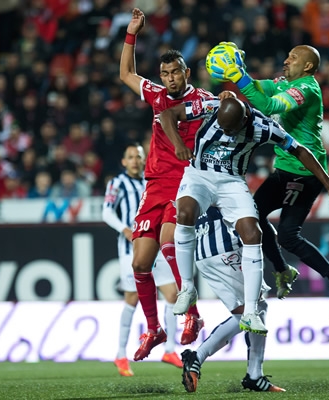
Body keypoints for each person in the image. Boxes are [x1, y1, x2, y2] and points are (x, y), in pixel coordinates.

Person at [160, 97, 329, 335]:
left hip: (232, 181)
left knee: (253, 233)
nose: (226, 134)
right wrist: (178, 143)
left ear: (244, 120)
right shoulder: (211, 105)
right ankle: (187, 289)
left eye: (231, 129)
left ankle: (251, 312)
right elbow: (168, 114)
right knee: (185, 212)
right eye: (221, 127)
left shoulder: (264, 127)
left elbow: (300, 150)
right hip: (199, 174)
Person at [210, 44, 329, 314]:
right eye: (287, 55)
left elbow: (267, 105)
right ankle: (283, 271)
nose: (286, 60)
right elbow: (257, 88)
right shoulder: (283, 83)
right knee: (252, 218)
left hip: (305, 172)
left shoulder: (306, 89)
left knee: (288, 236)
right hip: (284, 169)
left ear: (308, 67)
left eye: (293, 58)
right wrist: (238, 74)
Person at [119, 8, 210, 361]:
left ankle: (191, 313)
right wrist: (132, 34)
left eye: (175, 72)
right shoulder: (156, 95)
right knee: (140, 264)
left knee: (169, 241)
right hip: (154, 185)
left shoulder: (201, 101)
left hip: (186, 183)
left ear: (187, 72)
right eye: (165, 73)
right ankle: (154, 329)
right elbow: (126, 72)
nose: (170, 78)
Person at [180, 207, 284, 393]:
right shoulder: (224, 179)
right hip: (226, 249)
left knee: (253, 309)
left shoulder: (191, 184)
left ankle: (254, 375)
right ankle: (199, 358)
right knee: (253, 311)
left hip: (203, 252)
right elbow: (239, 207)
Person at [102, 143, 183, 376]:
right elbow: (106, 211)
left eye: (138, 156)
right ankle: (120, 354)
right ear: (124, 161)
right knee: (132, 298)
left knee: (172, 295)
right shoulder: (117, 183)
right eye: (131, 157)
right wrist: (125, 229)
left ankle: (169, 350)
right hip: (131, 250)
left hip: (154, 245)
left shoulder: (150, 180)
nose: (135, 161)